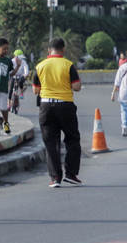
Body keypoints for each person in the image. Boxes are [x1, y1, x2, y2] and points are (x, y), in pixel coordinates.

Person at [33, 37, 83, 187]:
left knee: (50, 143)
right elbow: (77, 87)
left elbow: (36, 90)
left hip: (46, 107)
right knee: (72, 139)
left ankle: (55, 178)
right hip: (65, 105)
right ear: (63, 49)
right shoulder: (68, 65)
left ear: (49, 50)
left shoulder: (40, 66)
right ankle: (71, 173)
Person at [9, 48, 29, 114]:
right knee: (10, 90)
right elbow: (9, 71)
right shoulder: (11, 61)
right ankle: (9, 104)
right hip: (13, 76)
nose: (20, 59)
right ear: (15, 57)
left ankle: (21, 92)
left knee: (21, 82)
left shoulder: (23, 62)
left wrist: (25, 75)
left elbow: (26, 70)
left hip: (21, 76)